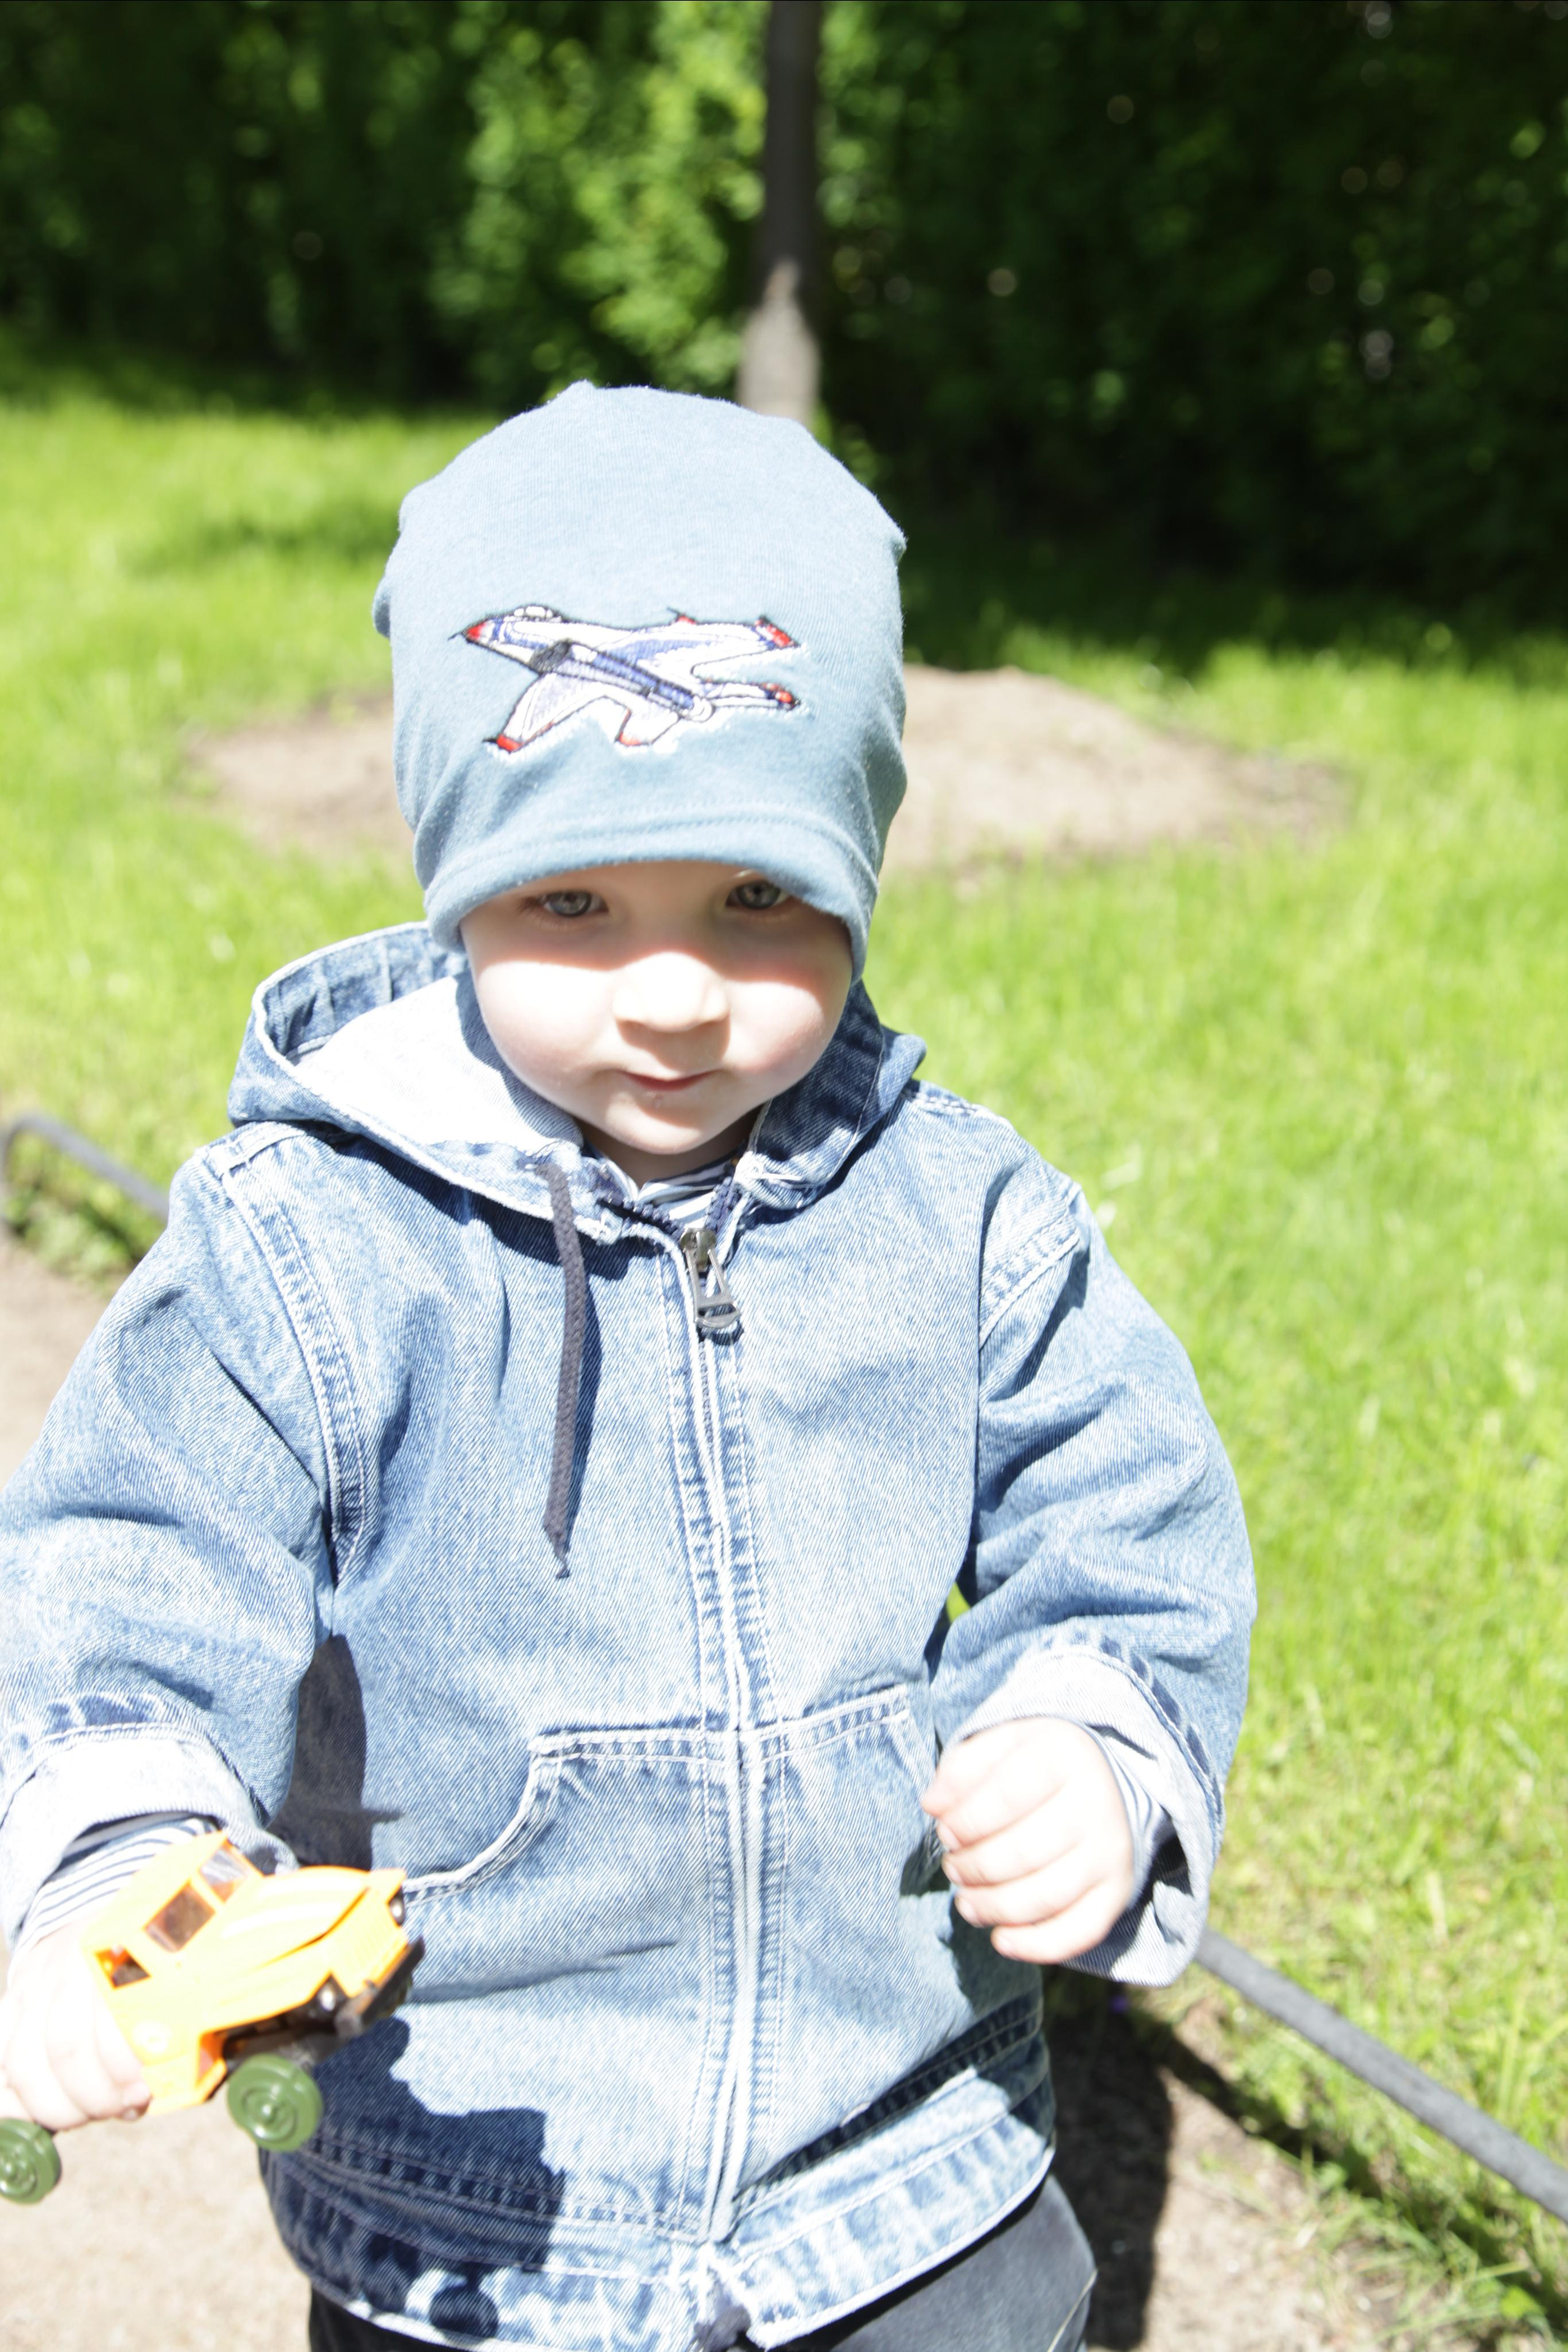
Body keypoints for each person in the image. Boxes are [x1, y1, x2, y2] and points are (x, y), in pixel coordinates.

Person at [0, 386, 1253, 2352]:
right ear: (455, 887)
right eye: (573, 906)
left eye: (760, 902)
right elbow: (128, 1590)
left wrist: (1091, 1732)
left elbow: (1131, 1510)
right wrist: (123, 1868)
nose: (673, 988)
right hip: (477, 2207)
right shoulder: (311, 1247)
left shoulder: (959, 1219)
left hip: (907, 2164)